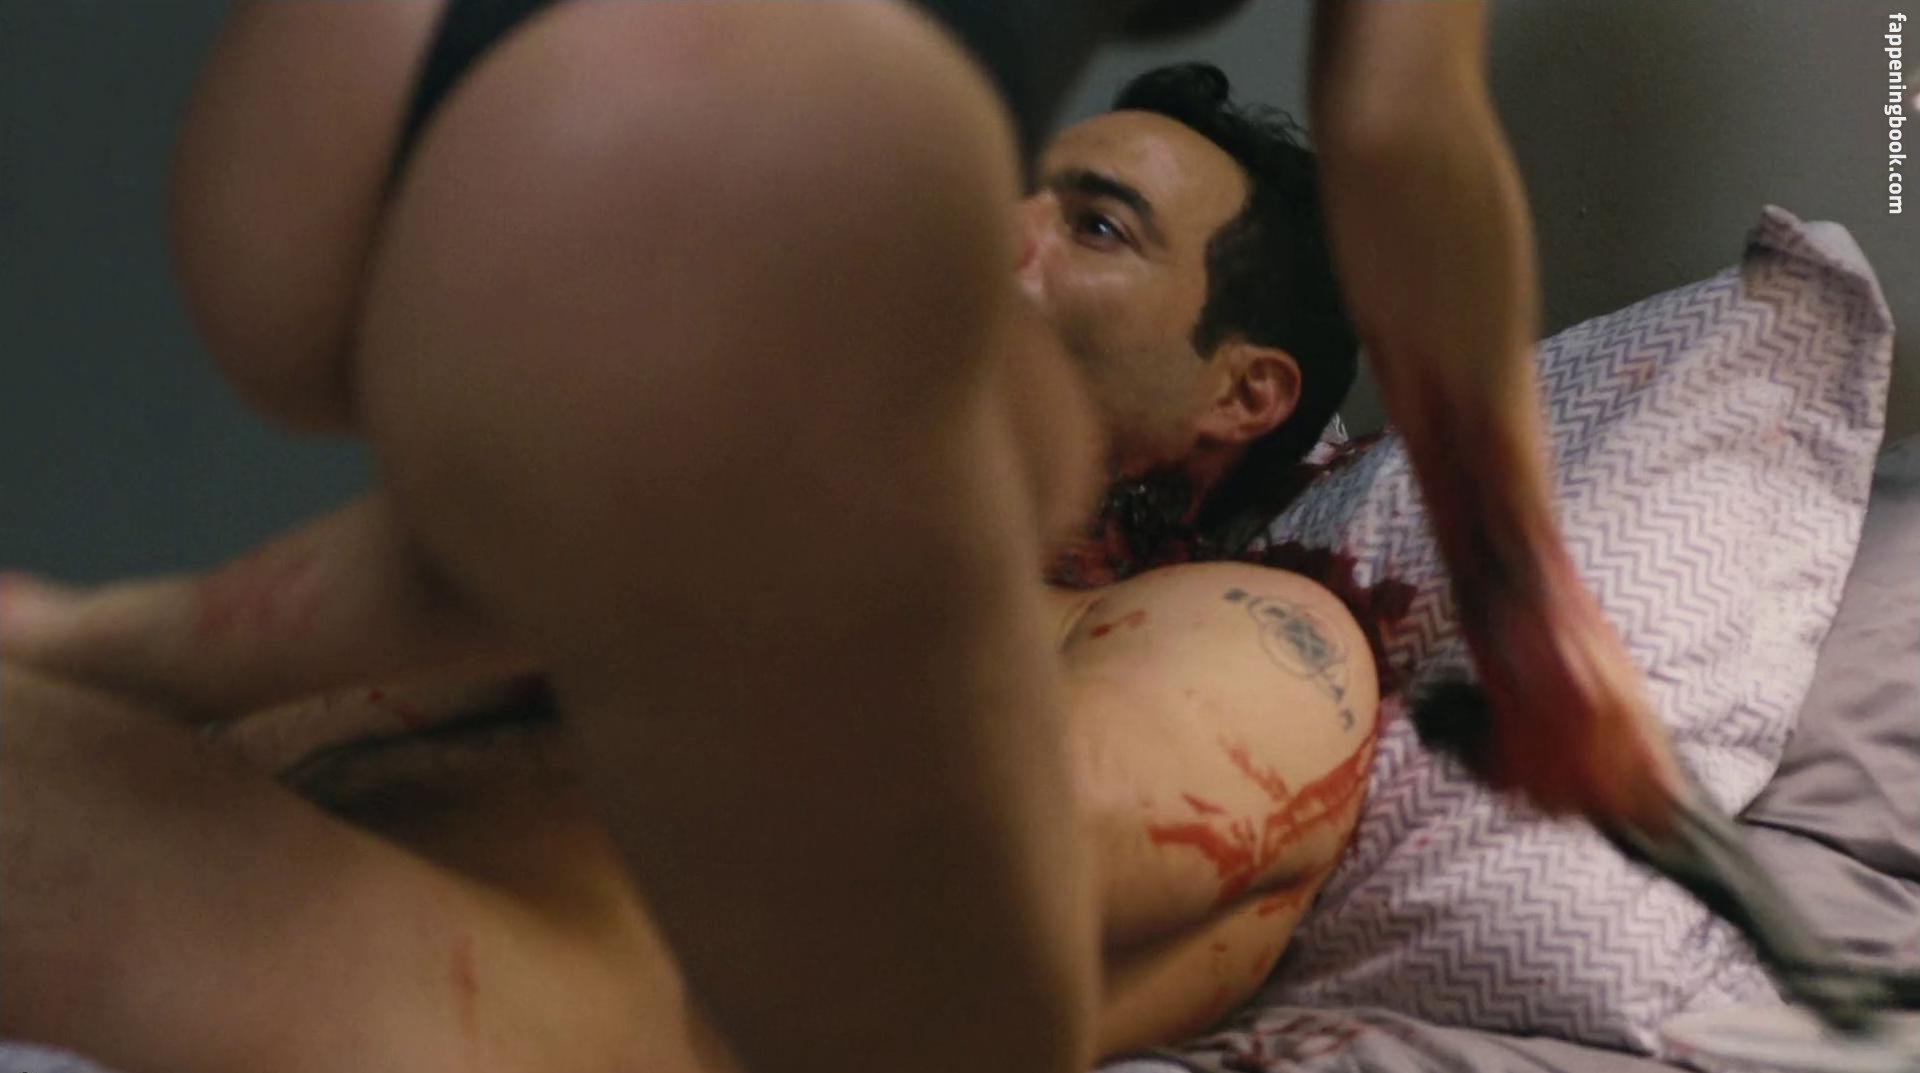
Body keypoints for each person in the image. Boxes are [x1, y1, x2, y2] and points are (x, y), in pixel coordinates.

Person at [5, 0, 1691, 1069]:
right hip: (694, 125)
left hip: (348, 124)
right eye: (1025, 186)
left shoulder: (1263, 632)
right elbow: (1407, 121)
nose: (1007, 227)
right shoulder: (791, 483)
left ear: (1244, 394)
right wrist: (1523, 601)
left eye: (1097, 227)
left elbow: (1032, 849)